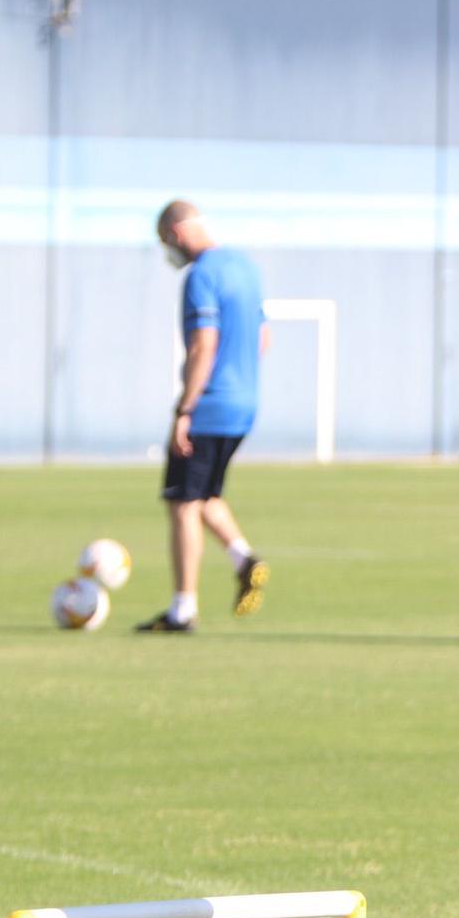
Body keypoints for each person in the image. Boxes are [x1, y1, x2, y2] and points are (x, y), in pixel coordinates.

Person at [136, 200, 270, 633]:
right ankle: (244, 559)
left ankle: (182, 610)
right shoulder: (246, 268)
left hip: (210, 405)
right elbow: (263, 337)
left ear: (176, 233)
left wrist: (185, 408)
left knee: (181, 502)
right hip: (244, 403)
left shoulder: (202, 275)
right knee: (205, 493)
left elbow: (203, 346)